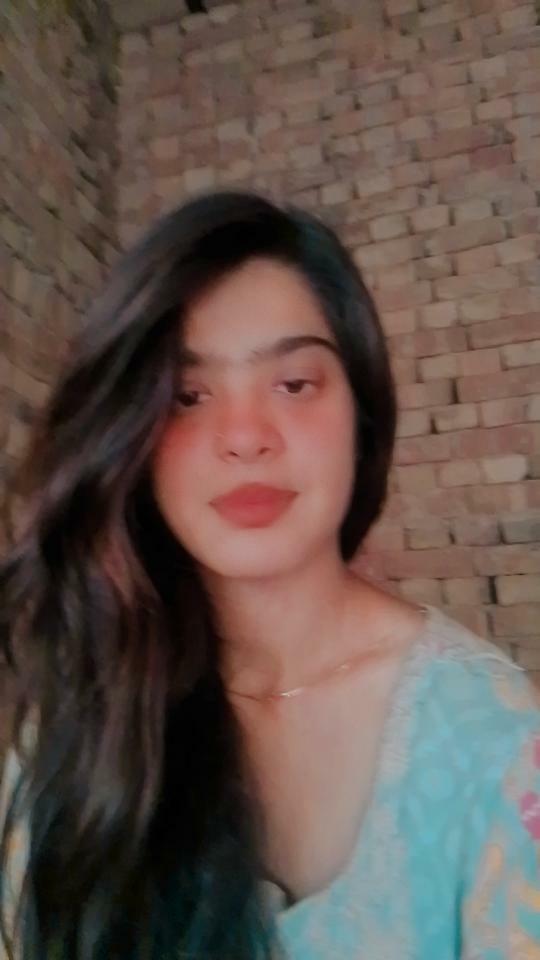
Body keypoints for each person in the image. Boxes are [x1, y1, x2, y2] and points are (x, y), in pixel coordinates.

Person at [0, 189, 539, 960]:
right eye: (187, 396)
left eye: (293, 385)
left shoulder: (495, 743)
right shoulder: (82, 719)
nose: (245, 436)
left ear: (362, 412)